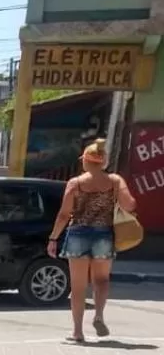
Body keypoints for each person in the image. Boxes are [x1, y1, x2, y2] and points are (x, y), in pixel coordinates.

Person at [47, 138, 133, 343]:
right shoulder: (114, 181)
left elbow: (63, 214)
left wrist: (53, 238)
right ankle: (99, 316)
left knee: (78, 286)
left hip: (77, 235)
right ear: (103, 162)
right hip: (104, 235)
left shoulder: (75, 183)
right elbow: (129, 204)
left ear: (85, 161)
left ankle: (77, 332)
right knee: (101, 281)